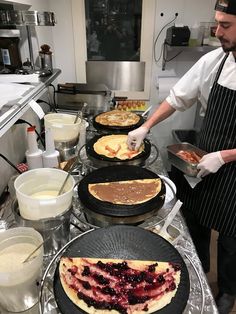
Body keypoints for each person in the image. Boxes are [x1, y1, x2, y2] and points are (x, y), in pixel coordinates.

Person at [127, 1, 236, 313]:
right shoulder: (216, 61)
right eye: (216, 23)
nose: (217, 32)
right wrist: (145, 127)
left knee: (231, 239)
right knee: (196, 222)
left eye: (225, 25)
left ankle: (228, 290)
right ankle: (198, 271)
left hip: (230, 166)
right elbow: (177, 98)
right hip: (203, 162)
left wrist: (226, 156)